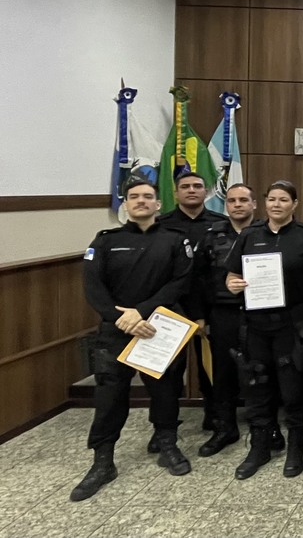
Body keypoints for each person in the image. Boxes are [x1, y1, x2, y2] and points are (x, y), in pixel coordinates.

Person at [70, 179, 194, 502]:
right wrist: (119, 317)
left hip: (159, 327)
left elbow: (180, 282)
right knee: (110, 394)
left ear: (158, 204)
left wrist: (140, 312)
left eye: (148, 197)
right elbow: (93, 287)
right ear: (125, 203)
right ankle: (103, 460)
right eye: (134, 196)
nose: (141, 201)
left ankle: (167, 442)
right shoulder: (106, 240)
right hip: (116, 330)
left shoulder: (174, 240)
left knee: (166, 389)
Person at [224, 181, 303, 480]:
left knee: (293, 388)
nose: (277, 204)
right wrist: (232, 284)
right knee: (258, 386)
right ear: (264, 204)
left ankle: (295, 446)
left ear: (294, 204)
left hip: (293, 325)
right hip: (255, 325)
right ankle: (261, 445)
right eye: (272, 199)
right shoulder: (250, 235)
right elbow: (231, 274)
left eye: (283, 200)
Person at [156, 172, 226, 442]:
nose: (192, 191)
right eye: (185, 187)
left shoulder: (220, 223)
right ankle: (165, 424)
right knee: (170, 369)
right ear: (175, 194)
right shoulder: (162, 226)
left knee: (212, 364)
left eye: (198, 186)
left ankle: (213, 412)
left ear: (206, 192)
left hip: (211, 305)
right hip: (173, 307)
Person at [192, 183, 257, 458]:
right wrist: (199, 316)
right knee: (223, 373)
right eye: (232, 200)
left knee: (262, 371)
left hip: (260, 313)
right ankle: (225, 426)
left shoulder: (266, 233)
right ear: (226, 205)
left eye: (244, 200)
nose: (238, 205)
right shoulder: (211, 236)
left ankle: (265, 427)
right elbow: (196, 278)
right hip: (223, 312)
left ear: (255, 204)